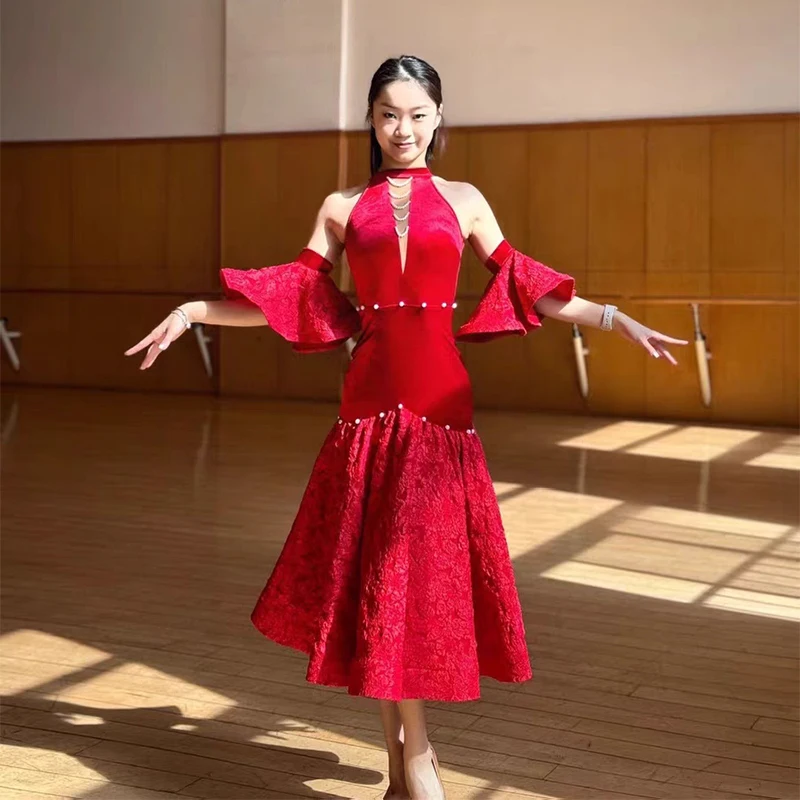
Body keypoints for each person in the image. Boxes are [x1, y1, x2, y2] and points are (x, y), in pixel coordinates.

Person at [126, 55, 687, 800]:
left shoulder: (465, 200)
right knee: (381, 582)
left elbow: (527, 283)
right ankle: (412, 764)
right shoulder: (339, 207)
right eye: (389, 113)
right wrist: (196, 311)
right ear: (370, 118)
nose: (404, 128)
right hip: (368, 406)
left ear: (439, 118)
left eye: (418, 113)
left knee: (415, 583)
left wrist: (615, 319)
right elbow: (291, 295)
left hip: (440, 407)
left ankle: (410, 764)